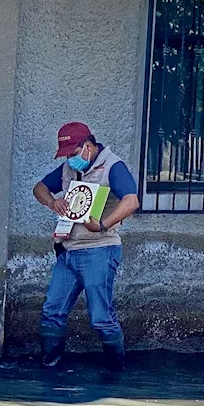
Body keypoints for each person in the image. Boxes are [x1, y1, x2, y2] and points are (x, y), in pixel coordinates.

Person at [31, 121, 141, 370]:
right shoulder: (68, 169)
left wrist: (102, 225)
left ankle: (116, 371)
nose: (69, 160)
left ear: (88, 146)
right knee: (52, 312)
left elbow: (132, 201)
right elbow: (39, 188)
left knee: (101, 317)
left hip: (100, 249)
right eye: (66, 155)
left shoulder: (114, 166)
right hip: (68, 250)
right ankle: (50, 365)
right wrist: (52, 203)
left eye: (72, 153)